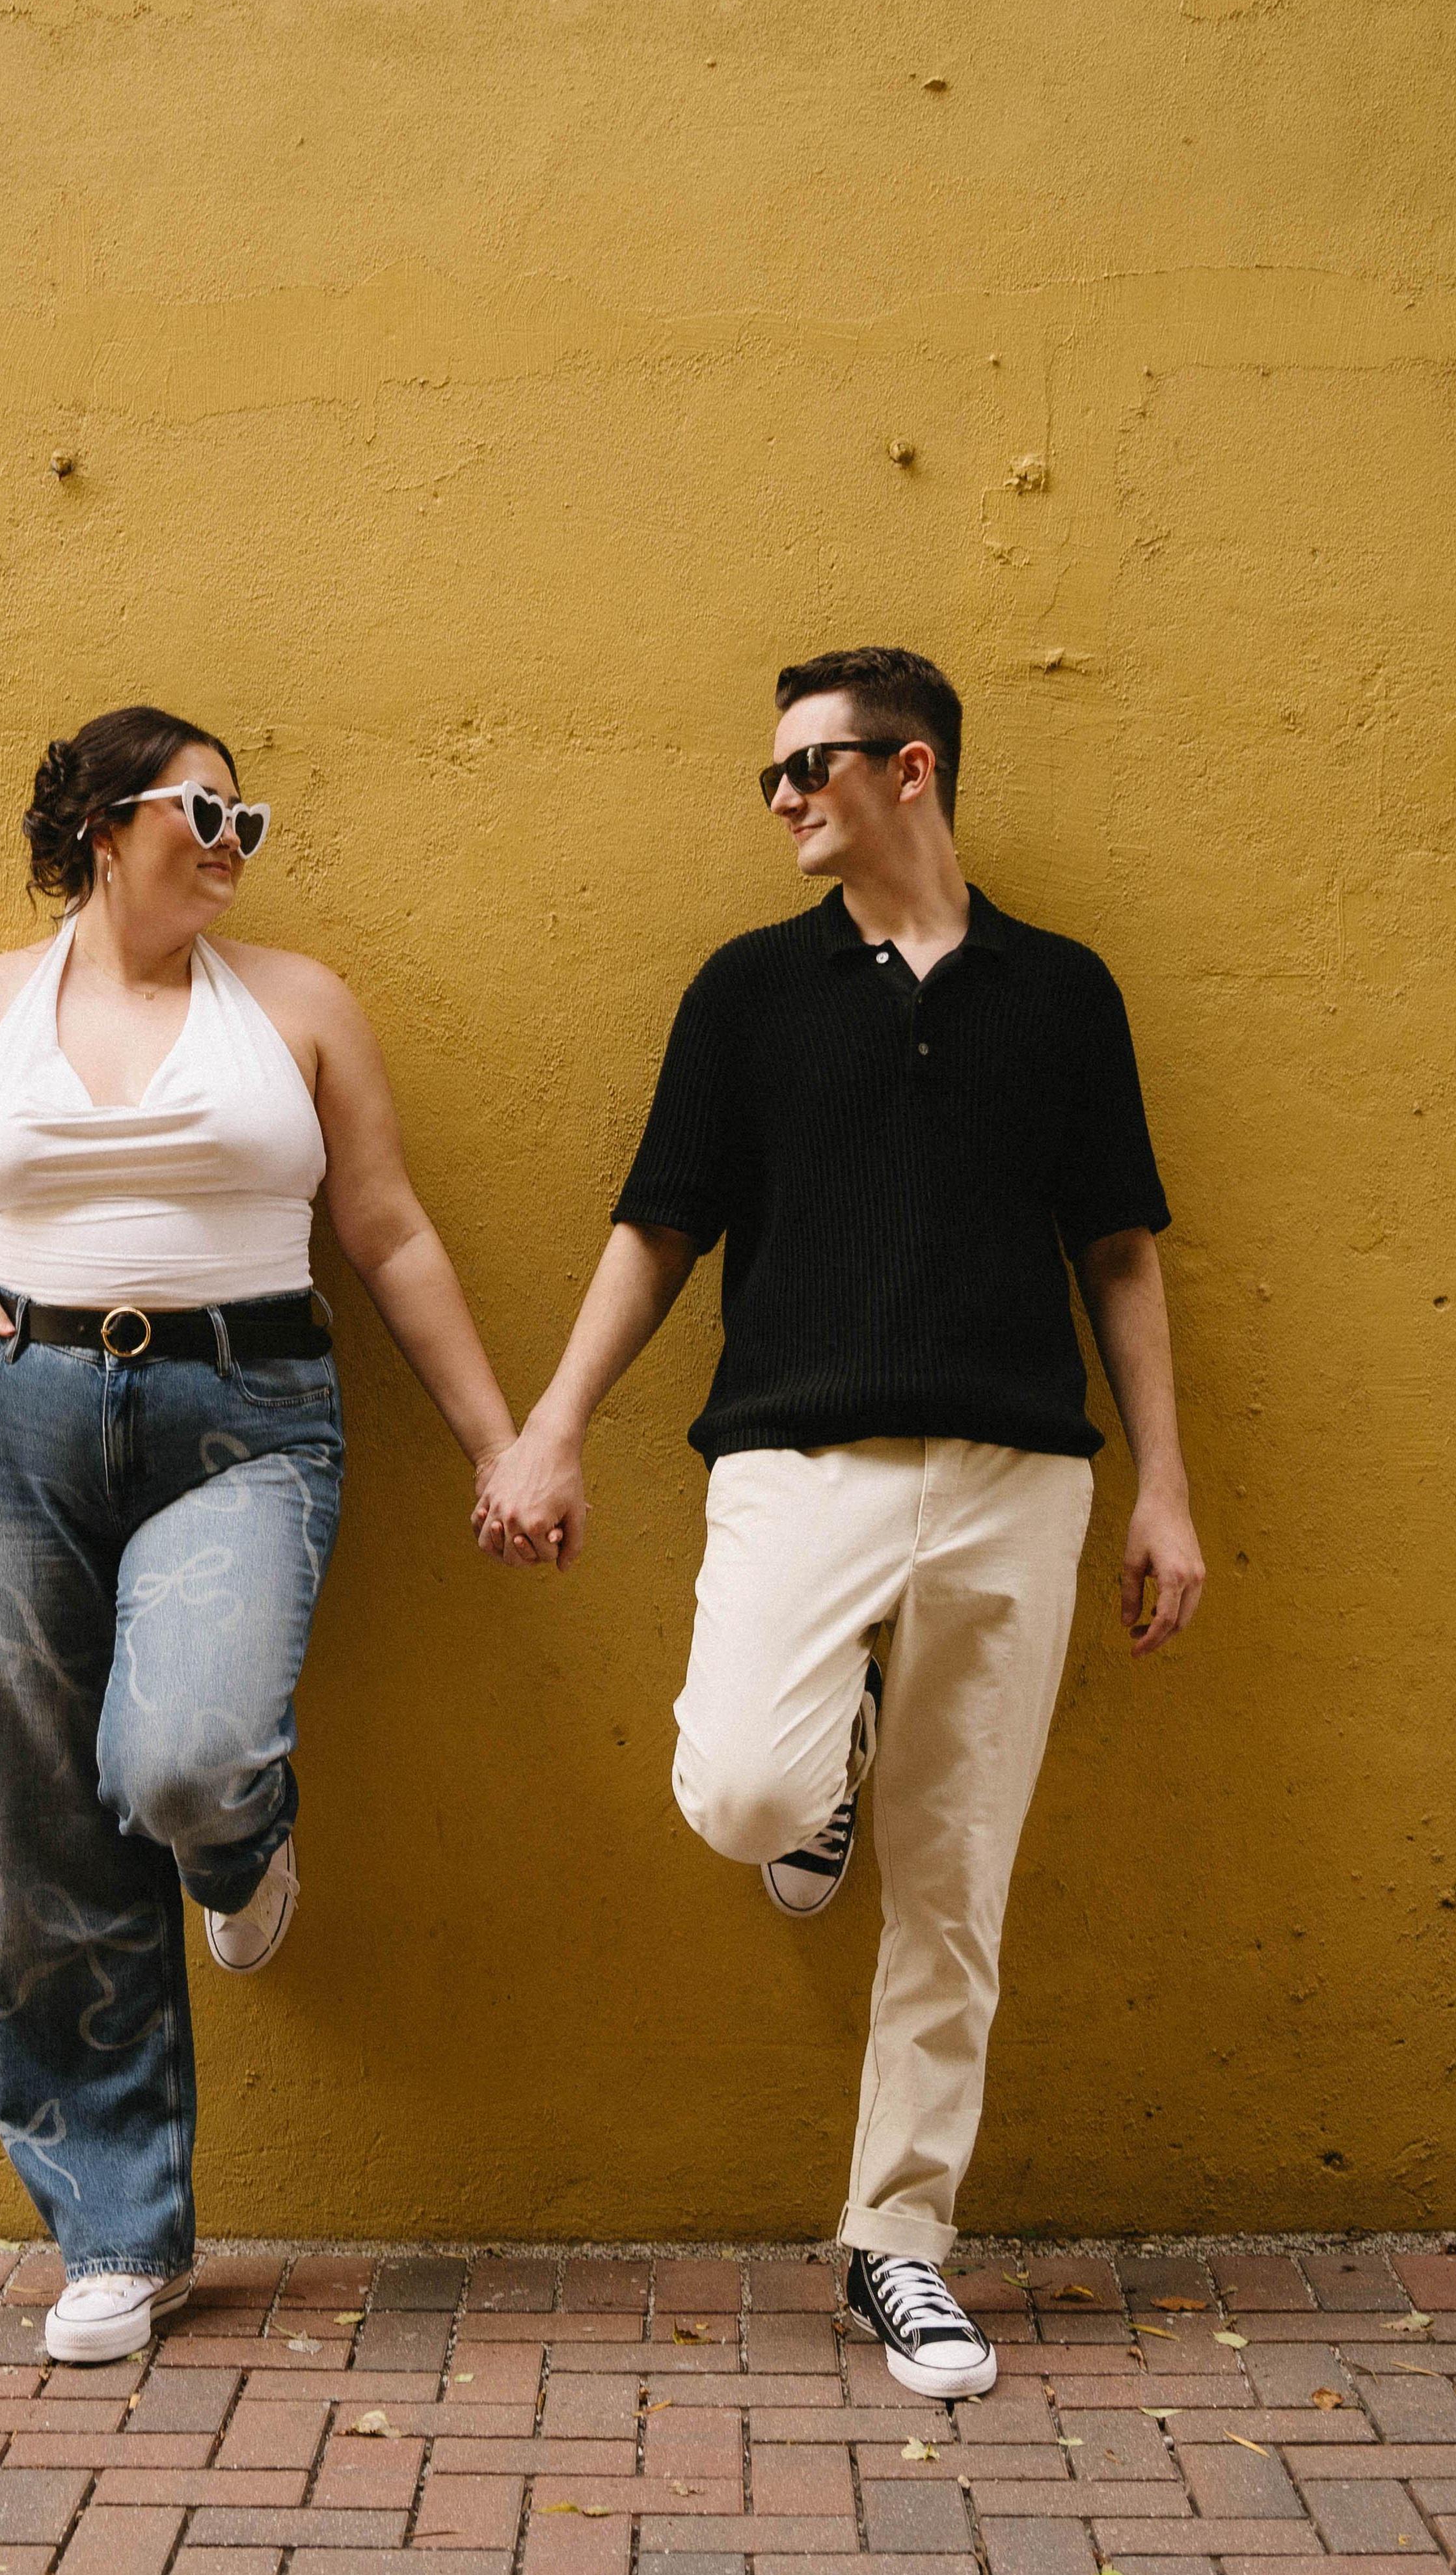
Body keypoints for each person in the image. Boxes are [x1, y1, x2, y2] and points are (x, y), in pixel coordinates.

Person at [475, 646, 1203, 2399]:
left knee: (952, 1885)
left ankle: (900, 2241)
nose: (785, 797)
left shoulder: (1062, 992)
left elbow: (1117, 1245)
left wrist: (1162, 1484)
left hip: (1018, 1476)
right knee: (744, 1789)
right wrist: (552, 1429)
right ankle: (832, 1757)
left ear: (913, 769)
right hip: (798, 1464)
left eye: (811, 767)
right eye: (774, 775)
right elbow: (659, 1225)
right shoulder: (748, 993)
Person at [0, 705, 515, 2364]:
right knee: (46, 1833)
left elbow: (388, 1230)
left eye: (245, 819)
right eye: (204, 811)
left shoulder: (298, 1006)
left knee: (184, 1762)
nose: (230, 841)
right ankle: (118, 2238)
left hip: (245, 1413)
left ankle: (237, 1839)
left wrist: (502, 1444)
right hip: (23, 1419)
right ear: (101, 824)